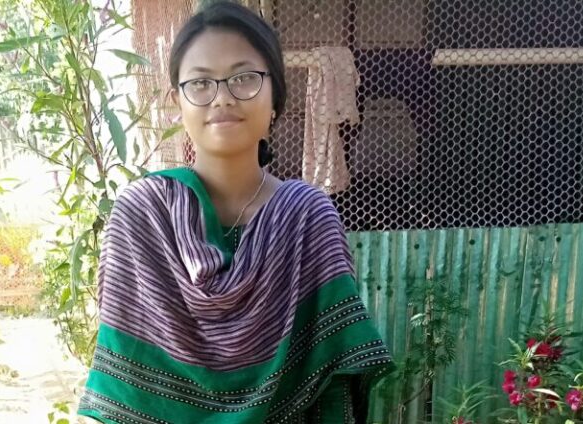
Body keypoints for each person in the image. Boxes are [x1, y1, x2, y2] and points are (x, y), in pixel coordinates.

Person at [77, 2, 392, 423]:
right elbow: (126, 386)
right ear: (179, 102)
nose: (222, 97)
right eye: (201, 83)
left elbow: (332, 383)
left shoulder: (307, 218)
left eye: (243, 78)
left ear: (275, 96)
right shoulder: (142, 216)